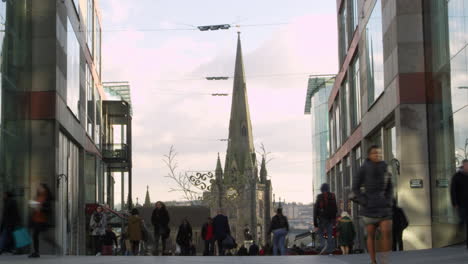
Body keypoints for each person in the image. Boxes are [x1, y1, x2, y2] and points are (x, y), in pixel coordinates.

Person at [351, 145, 393, 264]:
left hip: (384, 207)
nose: (377, 155)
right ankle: (373, 260)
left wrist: (388, 200)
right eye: (375, 153)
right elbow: (355, 187)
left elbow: (390, 186)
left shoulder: (385, 167)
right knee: (371, 235)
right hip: (369, 208)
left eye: (379, 153)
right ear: (369, 155)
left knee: (386, 232)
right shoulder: (363, 168)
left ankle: (384, 261)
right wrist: (364, 201)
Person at [29, 183, 57, 258]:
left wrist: (41, 208)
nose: (39, 189)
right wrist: (33, 205)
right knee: (35, 235)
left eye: (41, 187)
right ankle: (36, 252)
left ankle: (56, 246)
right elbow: (35, 206)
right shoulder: (38, 196)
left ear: (45, 189)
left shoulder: (47, 197)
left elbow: (48, 209)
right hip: (36, 219)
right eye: (39, 188)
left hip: (43, 220)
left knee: (45, 236)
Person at [313, 183, 338, 255]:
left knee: (320, 233)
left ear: (321, 189)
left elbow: (315, 210)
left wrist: (315, 223)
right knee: (330, 234)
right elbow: (335, 209)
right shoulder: (332, 196)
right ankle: (329, 249)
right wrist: (334, 220)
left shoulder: (319, 196)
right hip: (330, 219)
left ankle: (323, 245)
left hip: (322, 219)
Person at [451, 159, 468, 249]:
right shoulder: (457, 176)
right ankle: (459, 229)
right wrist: (455, 203)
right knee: (464, 219)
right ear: (463, 165)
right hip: (462, 203)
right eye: (466, 165)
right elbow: (453, 190)